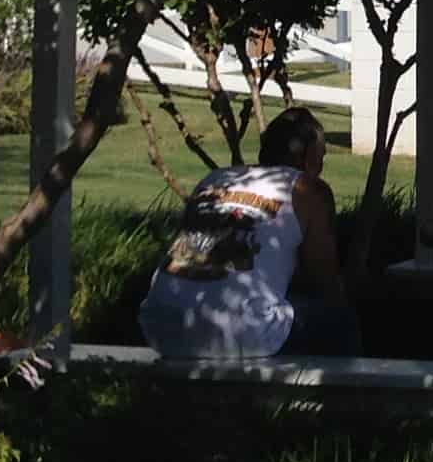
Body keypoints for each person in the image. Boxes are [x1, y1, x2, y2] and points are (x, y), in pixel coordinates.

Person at [137, 106, 364, 360]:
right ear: (310, 156)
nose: (321, 166)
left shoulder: (214, 179)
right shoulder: (307, 189)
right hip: (242, 333)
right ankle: (348, 397)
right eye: (321, 156)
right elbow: (324, 282)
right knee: (339, 318)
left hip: (159, 326)